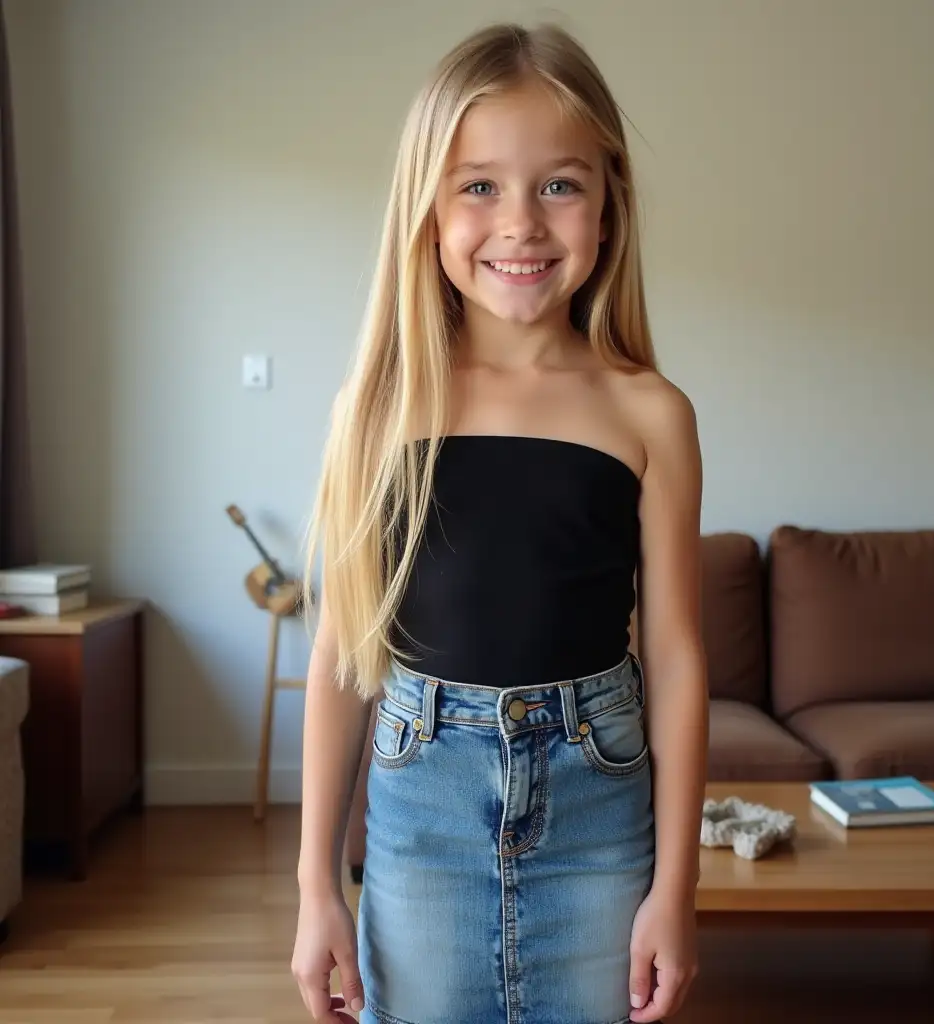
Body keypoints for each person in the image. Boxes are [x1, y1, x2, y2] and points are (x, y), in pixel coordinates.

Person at [291, 21, 708, 1024]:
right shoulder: (376, 404)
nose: (520, 223)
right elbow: (345, 648)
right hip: (418, 813)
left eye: (558, 185)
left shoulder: (649, 412)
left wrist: (677, 891)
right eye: (478, 185)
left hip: (600, 814)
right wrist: (315, 889)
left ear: (608, 207)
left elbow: (679, 656)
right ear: (426, 210)